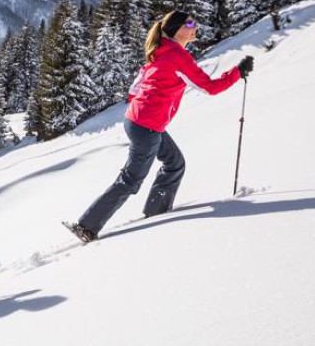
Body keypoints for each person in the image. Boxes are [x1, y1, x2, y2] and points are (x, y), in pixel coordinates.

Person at [67, 12, 252, 242]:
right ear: (177, 29)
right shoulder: (176, 56)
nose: (196, 26)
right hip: (147, 126)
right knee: (131, 180)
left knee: (175, 163)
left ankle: (156, 212)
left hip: (139, 122)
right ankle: (87, 225)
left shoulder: (159, 50)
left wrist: (149, 105)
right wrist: (237, 73)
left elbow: (135, 89)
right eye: (190, 23)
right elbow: (209, 87)